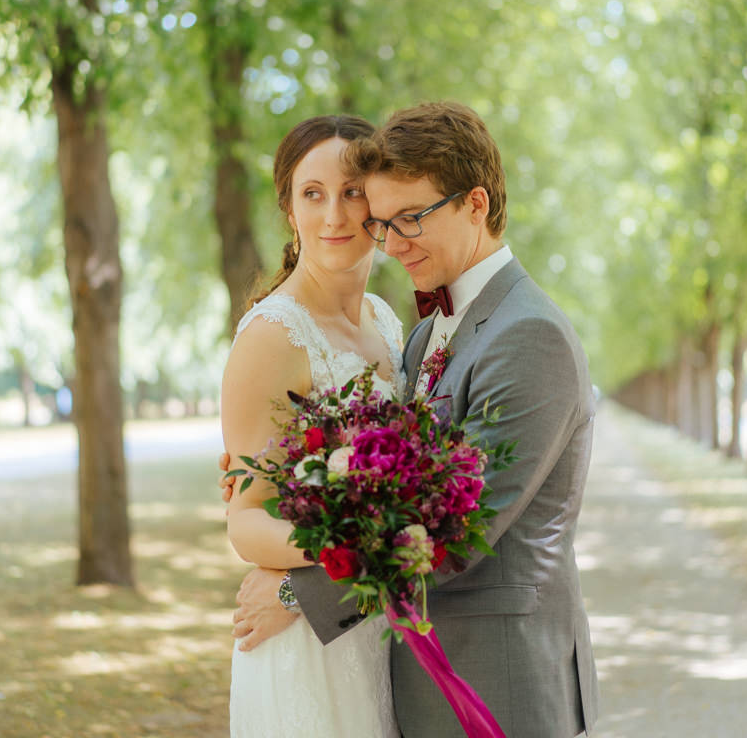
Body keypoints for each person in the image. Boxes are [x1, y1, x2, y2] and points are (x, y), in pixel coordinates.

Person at [230, 102, 599, 737]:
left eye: (412, 219)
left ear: (476, 204)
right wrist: (290, 482)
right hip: (401, 663)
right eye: (386, 222)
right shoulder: (425, 331)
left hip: (498, 677)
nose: (393, 242)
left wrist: (298, 592)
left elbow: (460, 530)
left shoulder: (527, 333)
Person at [222, 114, 403, 737]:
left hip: (375, 630)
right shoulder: (272, 335)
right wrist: (360, 548)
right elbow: (247, 519)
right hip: (306, 650)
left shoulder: (387, 321)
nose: (336, 216)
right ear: (290, 211)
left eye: (353, 191)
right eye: (313, 194)